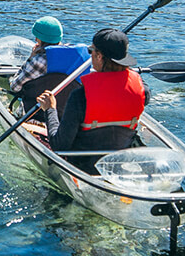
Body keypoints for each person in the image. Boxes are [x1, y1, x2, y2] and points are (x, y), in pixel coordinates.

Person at [35, 28, 148, 171]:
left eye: (91, 51)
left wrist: (50, 109)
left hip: (85, 166)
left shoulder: (80, 96)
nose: (90, 55)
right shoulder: (143, 89)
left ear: (99, 56)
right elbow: (126, 81)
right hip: (120, 162)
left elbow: (59, 145)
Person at [10, 16, 83, 112]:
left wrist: (31, 58)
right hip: (66, 114)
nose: (35, 39)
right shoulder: (78, 58)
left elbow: (15, 87)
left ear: (39, 38)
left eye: (37, 37)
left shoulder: (38, 61)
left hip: (35, 113)